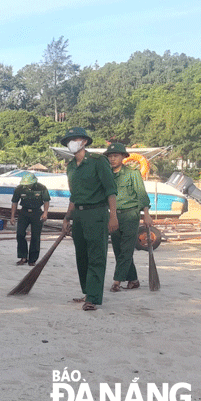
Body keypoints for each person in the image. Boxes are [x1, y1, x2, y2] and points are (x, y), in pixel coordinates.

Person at [60, 127, 118, 311]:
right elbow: (73, 195)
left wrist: (113, 216)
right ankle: (87, 291)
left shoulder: (98, 161)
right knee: (82, 255)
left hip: (97, 213)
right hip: (79, 214)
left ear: (84, 141)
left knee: (96, 255)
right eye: (68, 140)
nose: (71, 142)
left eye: (75, 139)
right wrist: (67, 218)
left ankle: (92, 297)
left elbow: (111, 190)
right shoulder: (70, 167)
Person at [104, 143, 153, 292]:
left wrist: (146, 214)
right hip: (113, 216)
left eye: (116, 156)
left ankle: (117, 281)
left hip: (130, 214)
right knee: (119, 249)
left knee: (126, 249)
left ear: (123, 157)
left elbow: (141, 194)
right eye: (110, 156)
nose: (112, 159)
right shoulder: (106, 174)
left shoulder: (132, 173)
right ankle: (133, 280)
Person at [9, 173, 50, 266]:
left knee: (35, 236)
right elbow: (14, 202)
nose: (27, 186)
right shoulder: (19, 188)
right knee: (20, 234)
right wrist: (12, 216)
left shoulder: (41, 188)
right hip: (24, 212)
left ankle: (32, 259)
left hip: (37, 213)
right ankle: (23, 257)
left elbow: (46, 201)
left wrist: (45, 213)